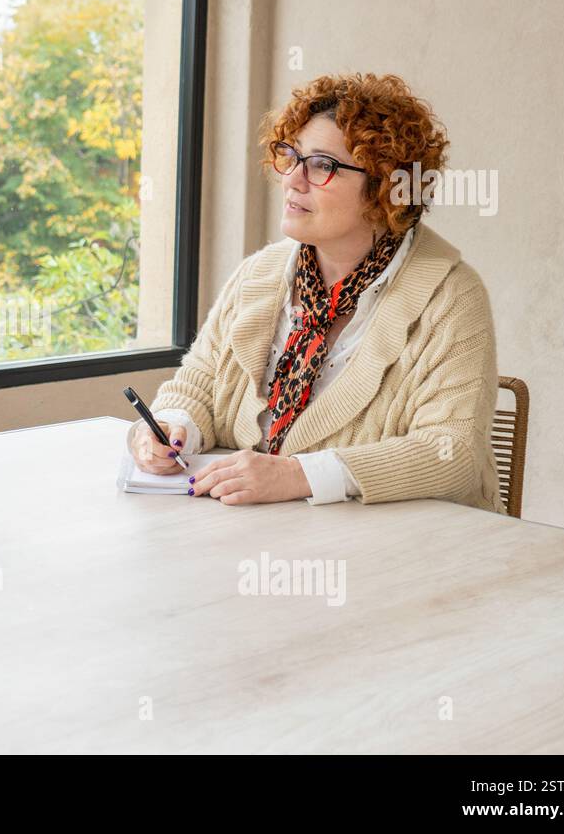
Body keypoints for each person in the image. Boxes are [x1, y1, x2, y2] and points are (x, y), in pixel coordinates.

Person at [129, 72, 504, 514]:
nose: (293, 179)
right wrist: (174, 427)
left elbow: (452, 452)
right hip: (258, 541)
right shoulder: (260, 274)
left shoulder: (451, 297)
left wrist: (298, 475)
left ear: (386, 187)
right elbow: (199, 387)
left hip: (406, 557)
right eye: (291, 155)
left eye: (322, 165)